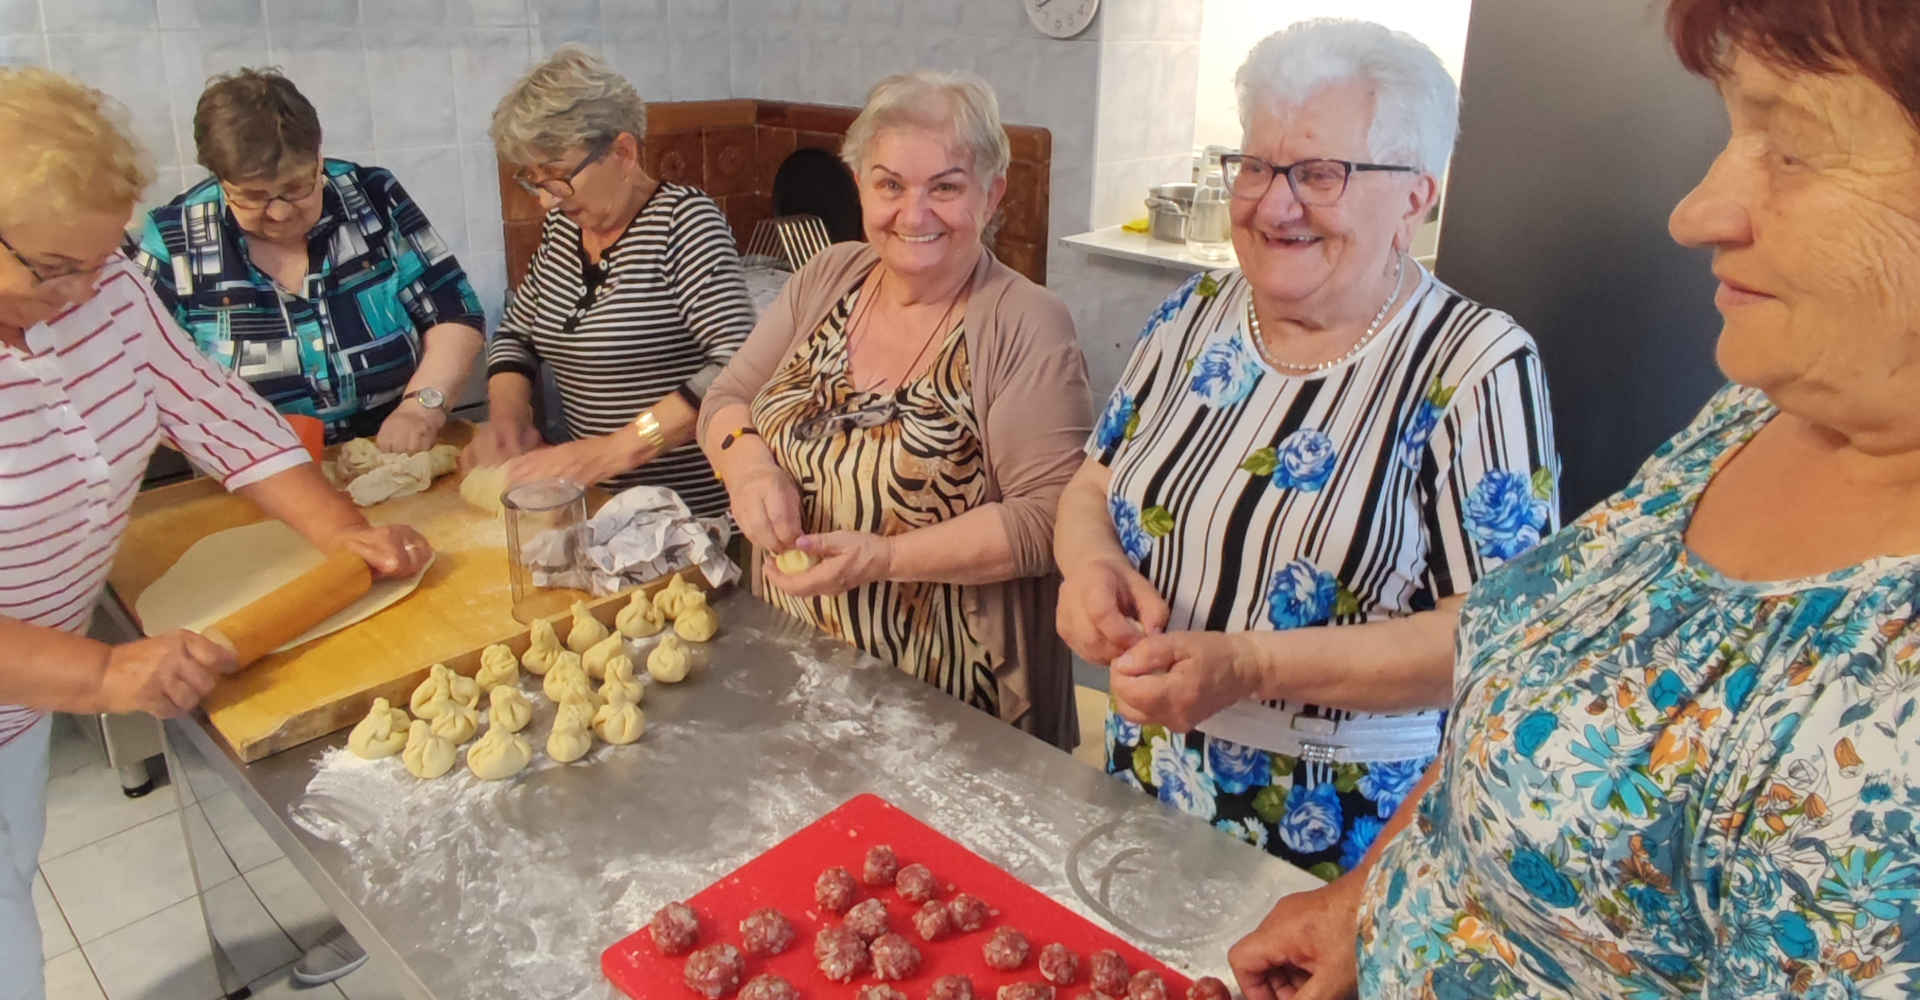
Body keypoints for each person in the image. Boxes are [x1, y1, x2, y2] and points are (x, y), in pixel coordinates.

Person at [1226, 2, 1920, 997]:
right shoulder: (1757, 409)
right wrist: (1367, 902)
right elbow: (1529, 674)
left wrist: (1245, 662)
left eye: (1798, 147)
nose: (1696, 213)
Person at [1052, 19, 1559, 875]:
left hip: (1340, 828)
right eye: (1255, 165)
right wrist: (1088, 571)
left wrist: (1249, 663)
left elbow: (1493, 637)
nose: (1273, 203)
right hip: (1146, 777)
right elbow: (1089, 487)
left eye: (1318, 174)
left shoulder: (1476, 362)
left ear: (1415, 194)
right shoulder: (1194, 315)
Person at [0, 68, 431, 1000]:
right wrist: (104, 674)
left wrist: (341, 532)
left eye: (99, 257)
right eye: (49, 269)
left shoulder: (104, 288)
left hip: (15, 707)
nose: (82, 291)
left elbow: (217, 413)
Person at [699, 71, 1092, 748]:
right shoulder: (827, 276)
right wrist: (750, 471)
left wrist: (883, 558)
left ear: (992, 194)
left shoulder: (1027, 322)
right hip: (790, 663)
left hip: (941, 698)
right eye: (891, 186)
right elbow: (727, 400)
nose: (914, 215)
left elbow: (1045, 519)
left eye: (945, 186)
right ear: (860, 187)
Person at [465, 45, 755, 516]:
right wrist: (508, 418)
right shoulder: (565, 228)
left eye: (557, 179)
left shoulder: (685, 224)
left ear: (622, 152)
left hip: (689, 517)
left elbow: (739, 365)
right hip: (601, 509)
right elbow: (517, 335)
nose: (545, 201)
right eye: (533, 181)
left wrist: (617, 449)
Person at [134, 68, 485, 452]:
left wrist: (421, 409)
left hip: (394, 451)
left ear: (318, 158)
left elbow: (452, 310)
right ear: (220, 180)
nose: (281, 213)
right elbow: (141, 377)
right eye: (254, 196)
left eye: (297, 187)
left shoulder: (371, 198)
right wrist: (234, 447)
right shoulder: (177, 237)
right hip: (251, 475)